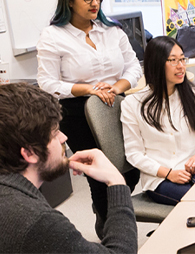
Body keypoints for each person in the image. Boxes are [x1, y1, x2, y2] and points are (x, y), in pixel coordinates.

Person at [36, 0, 143, 239]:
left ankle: (112, 216)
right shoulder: (53, 36)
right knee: (99, 175)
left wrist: (117, 87)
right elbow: (47, 82)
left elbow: (133, 67)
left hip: (116, 105)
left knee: (129, 169)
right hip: (77, 111)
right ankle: (110, 231)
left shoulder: (112, 30)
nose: (94, 3)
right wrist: (88, 89)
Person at [0, 83, 137, 253]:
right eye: (55, 133)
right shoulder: (37, 223)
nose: (64, 138)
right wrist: (116, 181)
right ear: (30, 153)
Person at [121, 36, 195, 205]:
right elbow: (134, 154)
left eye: (182, 59)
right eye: (173, 60)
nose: (181, 66)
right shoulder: (132, 104)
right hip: (159, 179)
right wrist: (168, 173)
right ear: (156, 63)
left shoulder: (194, 96)